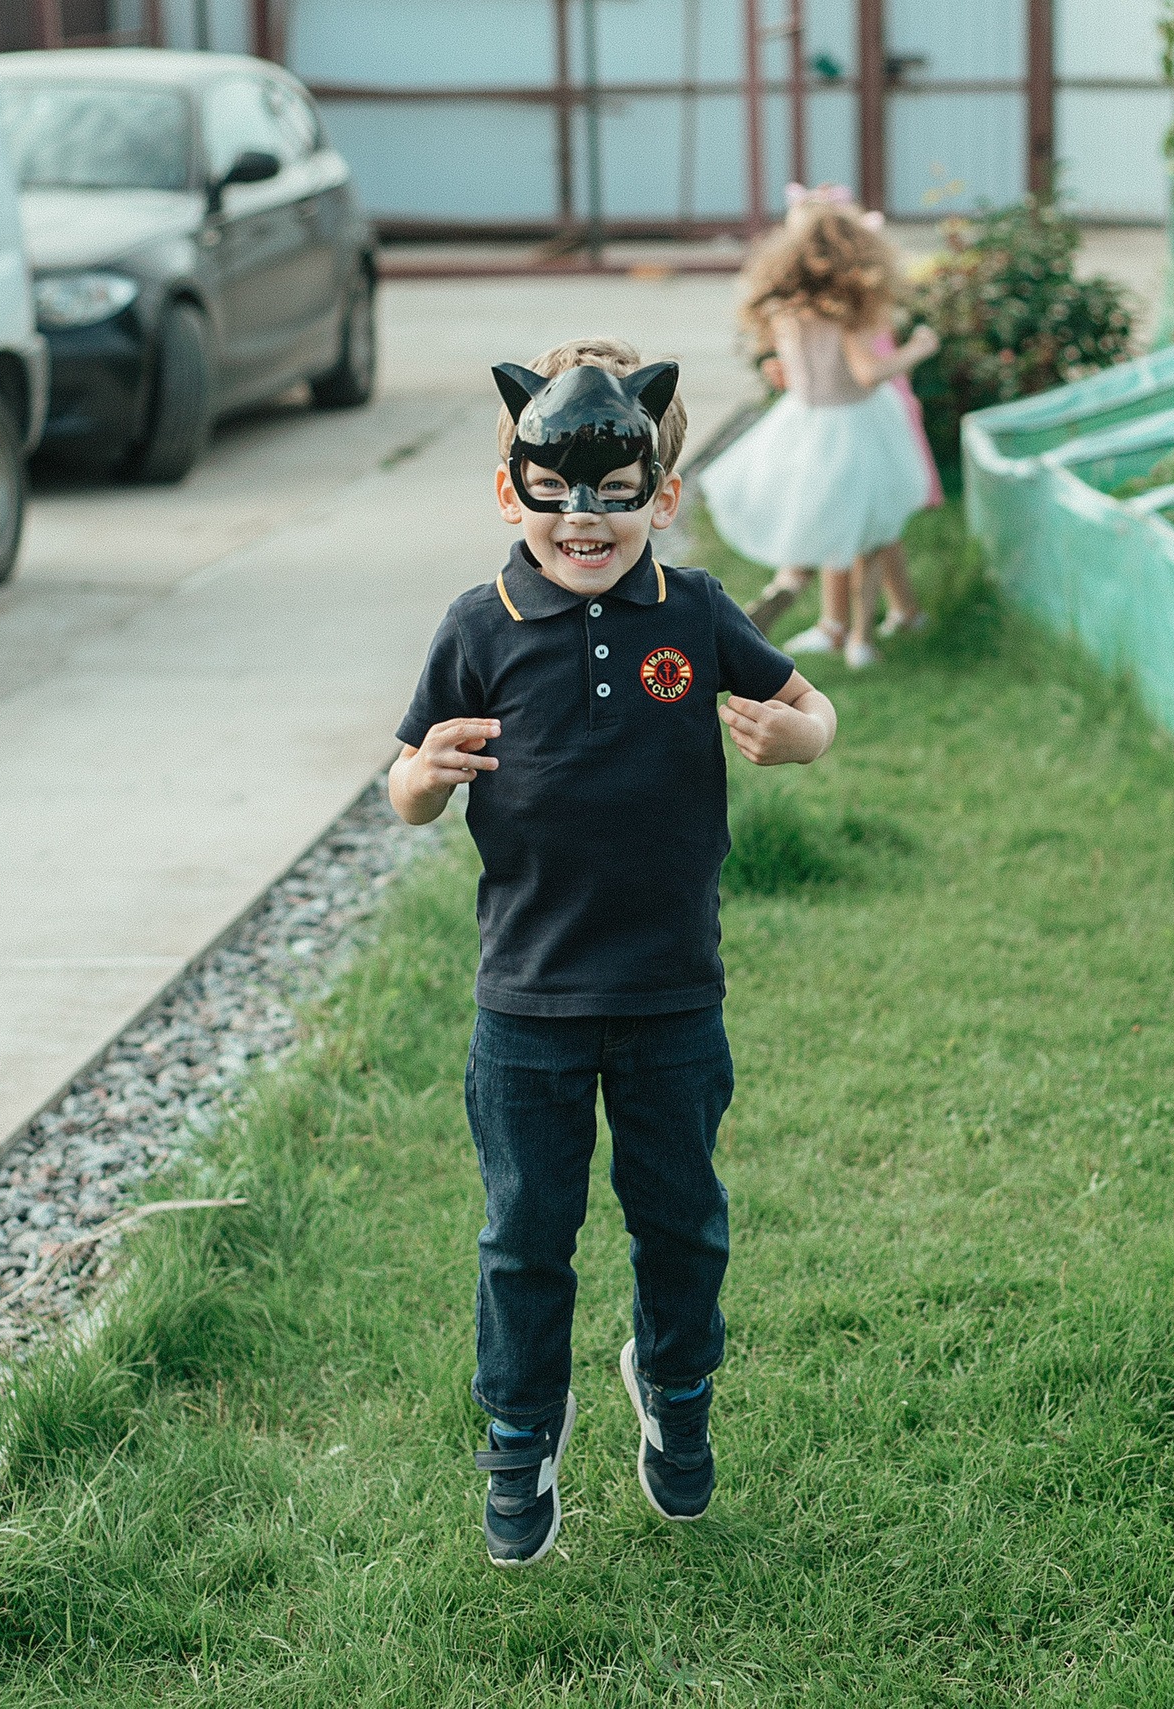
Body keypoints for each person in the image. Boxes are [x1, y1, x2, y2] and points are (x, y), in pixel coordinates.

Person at [388, 337, 838, 1567]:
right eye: (556, 489)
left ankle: (675, 1388)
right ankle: (522, 1428)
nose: (584, 518)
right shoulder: (477, 625)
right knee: (526, 1231)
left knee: (681, 1220)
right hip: (525, 1006)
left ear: (661, 493)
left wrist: (796, 739)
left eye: (614, 490)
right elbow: (404, 778)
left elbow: (815, 705)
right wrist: (422, 778)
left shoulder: (691, 611)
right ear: (510, 489)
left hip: (670, 998)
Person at [701, 185, 939, 668]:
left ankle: (814, 600)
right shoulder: (848, 311)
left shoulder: (786, 309)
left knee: (828, 523)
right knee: (864, 535)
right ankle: (858, 640)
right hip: (853, 424)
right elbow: (868, 374)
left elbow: (788, 368)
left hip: (803, 422)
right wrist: (917, 349)